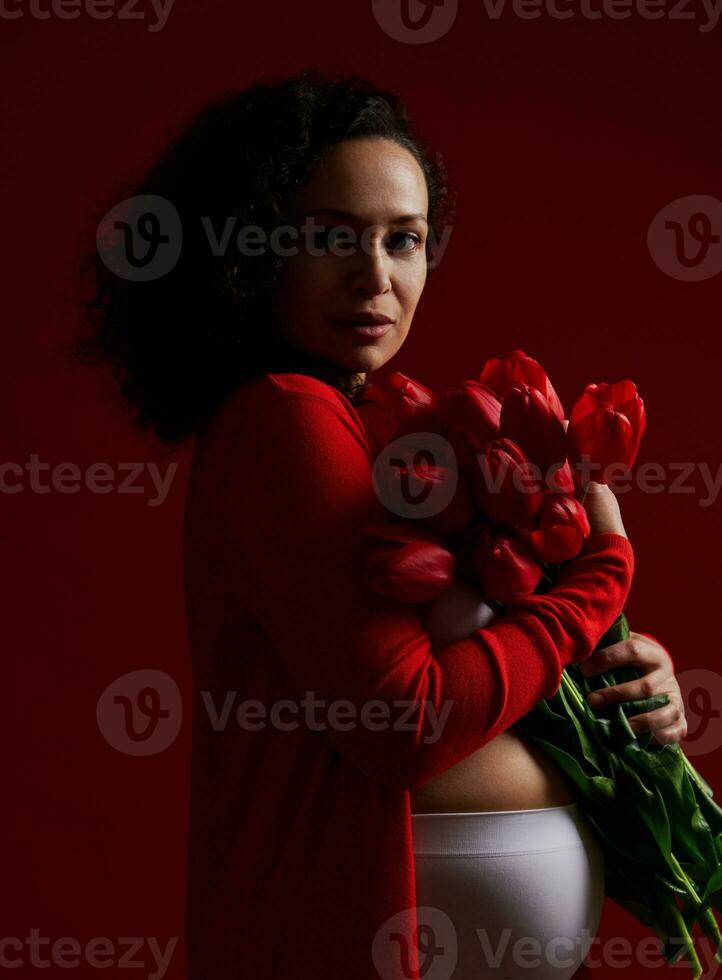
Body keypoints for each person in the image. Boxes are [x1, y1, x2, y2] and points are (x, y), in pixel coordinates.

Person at [77, 68, 687, 980]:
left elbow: (479, 661)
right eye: (331, 237)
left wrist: (623, 695)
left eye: (403, 239)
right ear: (254, 254)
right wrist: (599, 582)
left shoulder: (383, 424)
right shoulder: (280, 416)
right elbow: (406, 721)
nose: (376, 276)